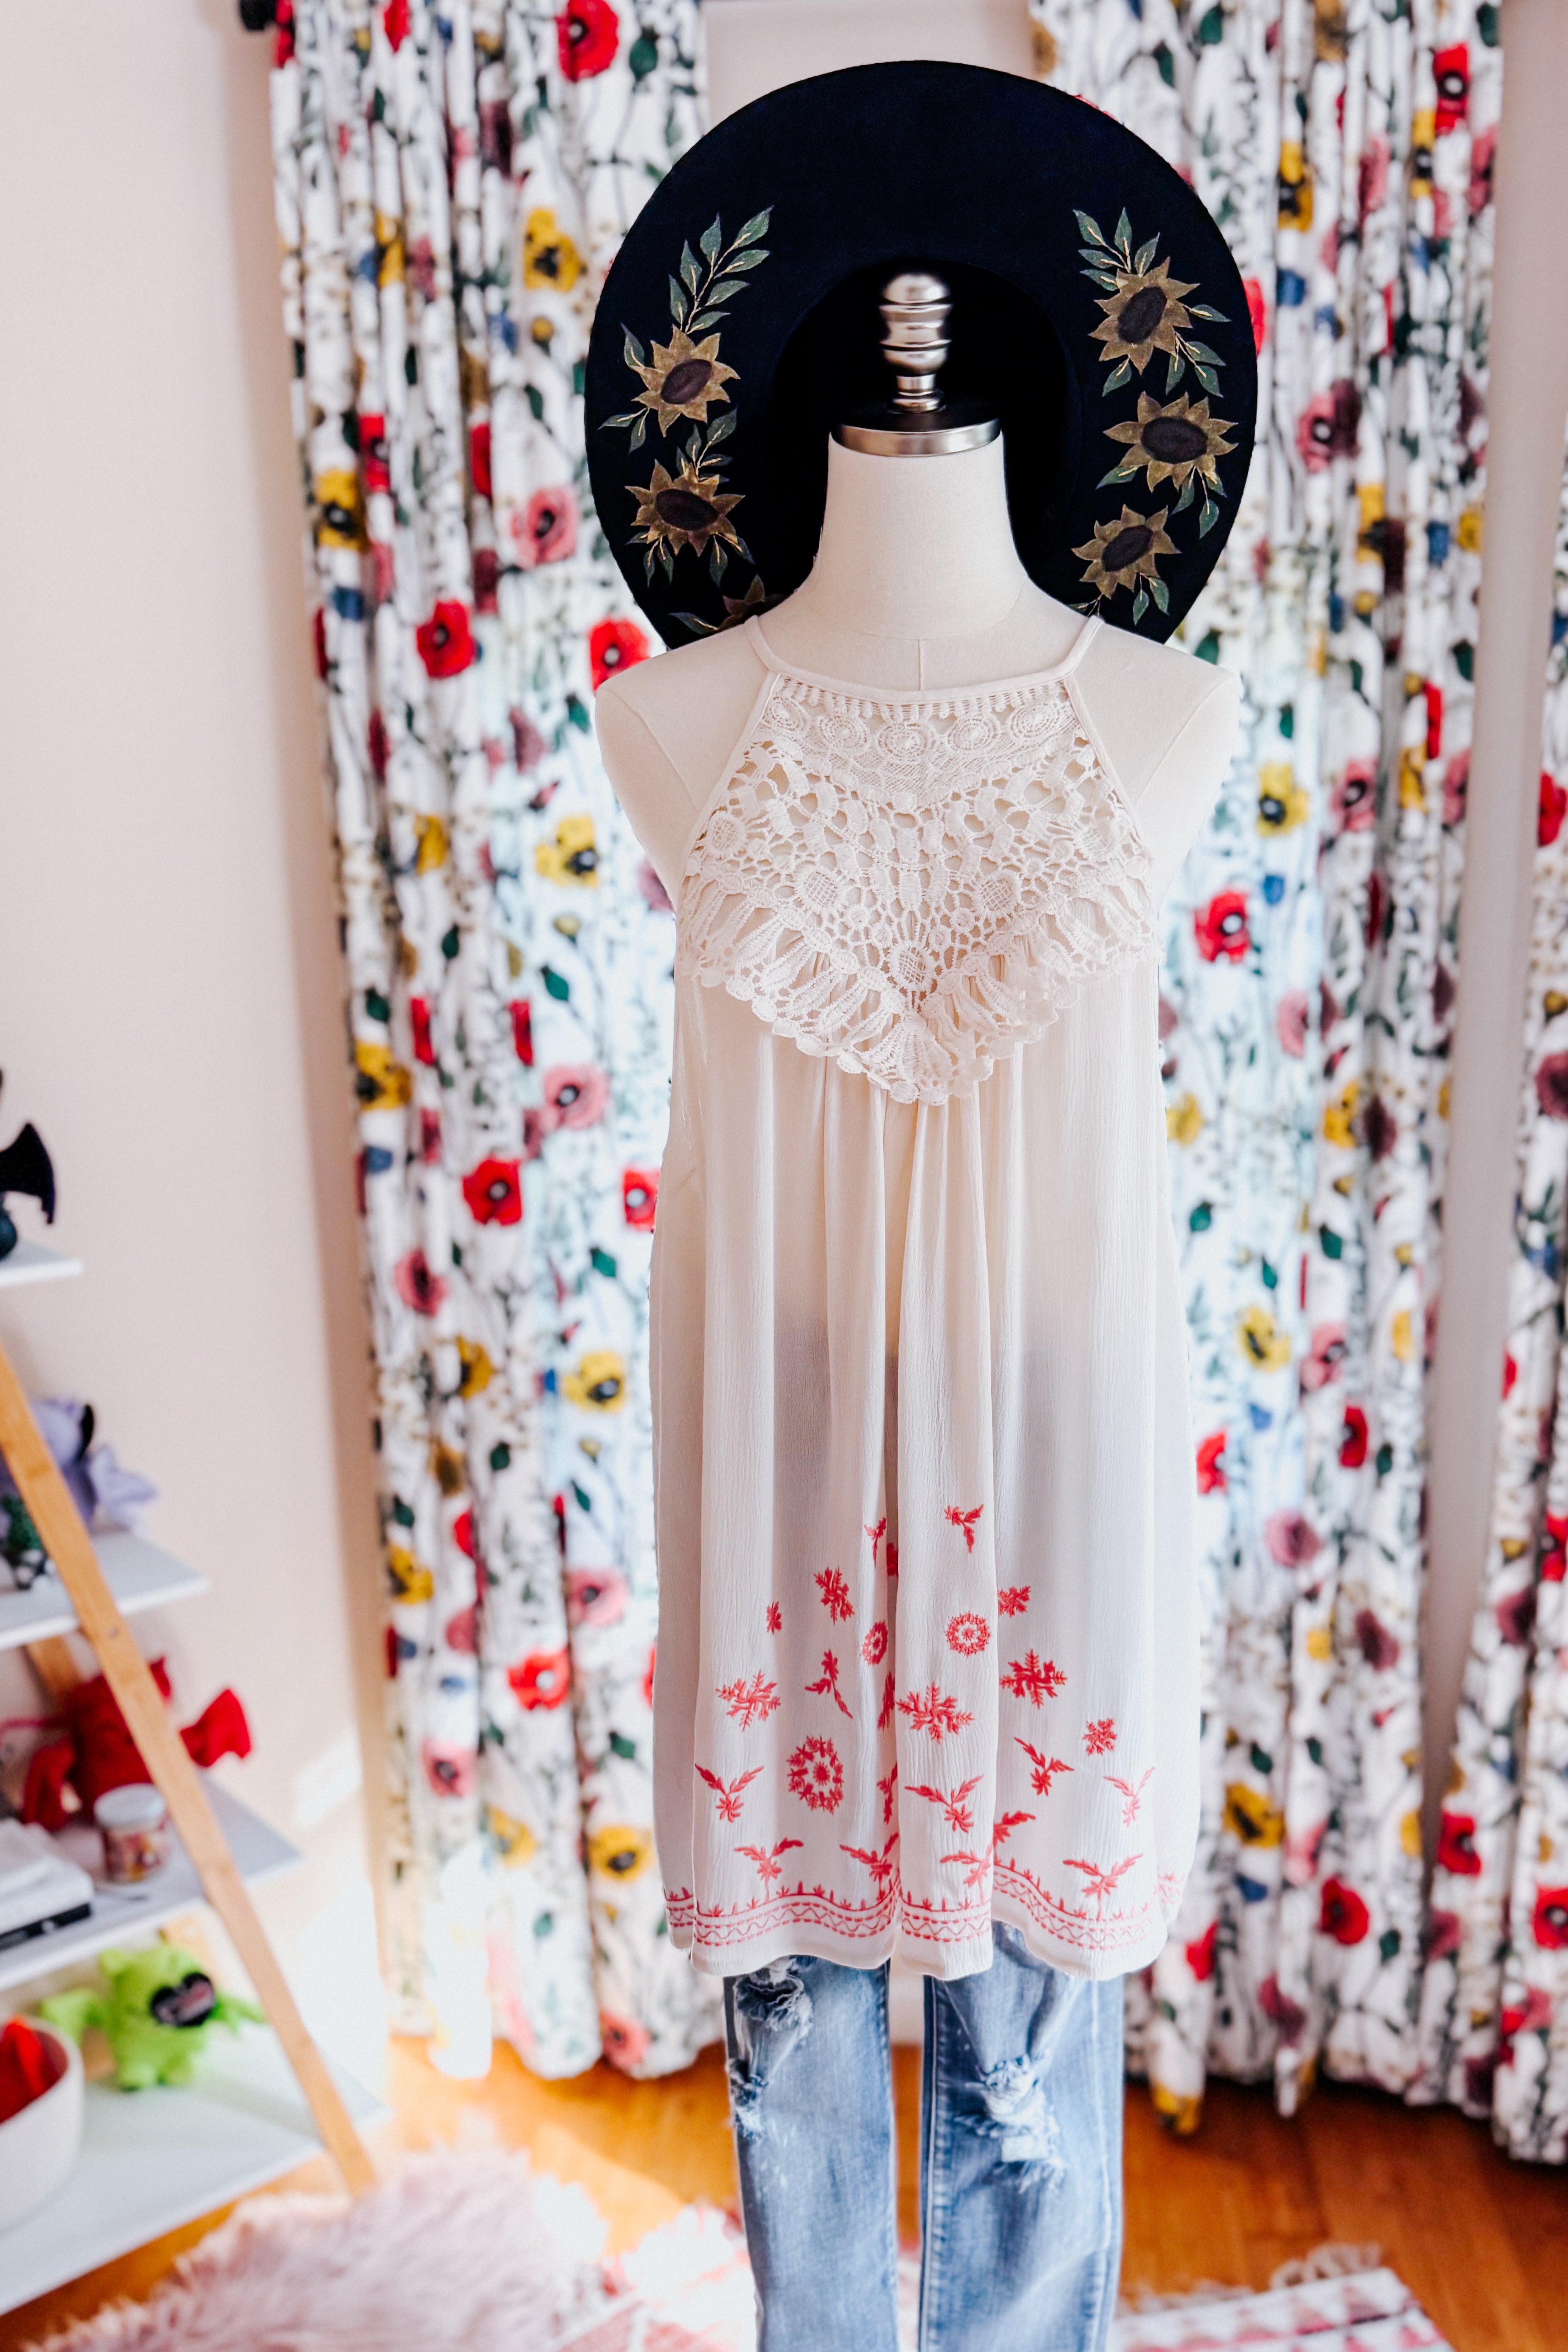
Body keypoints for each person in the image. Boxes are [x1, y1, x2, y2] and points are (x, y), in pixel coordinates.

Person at [589, 61, 1253, 2351]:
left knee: (1034, 2068)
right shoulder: (680, 720)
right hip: (783, 1453)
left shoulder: (1153, 721)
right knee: (797, 2060)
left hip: (1053, 1465)